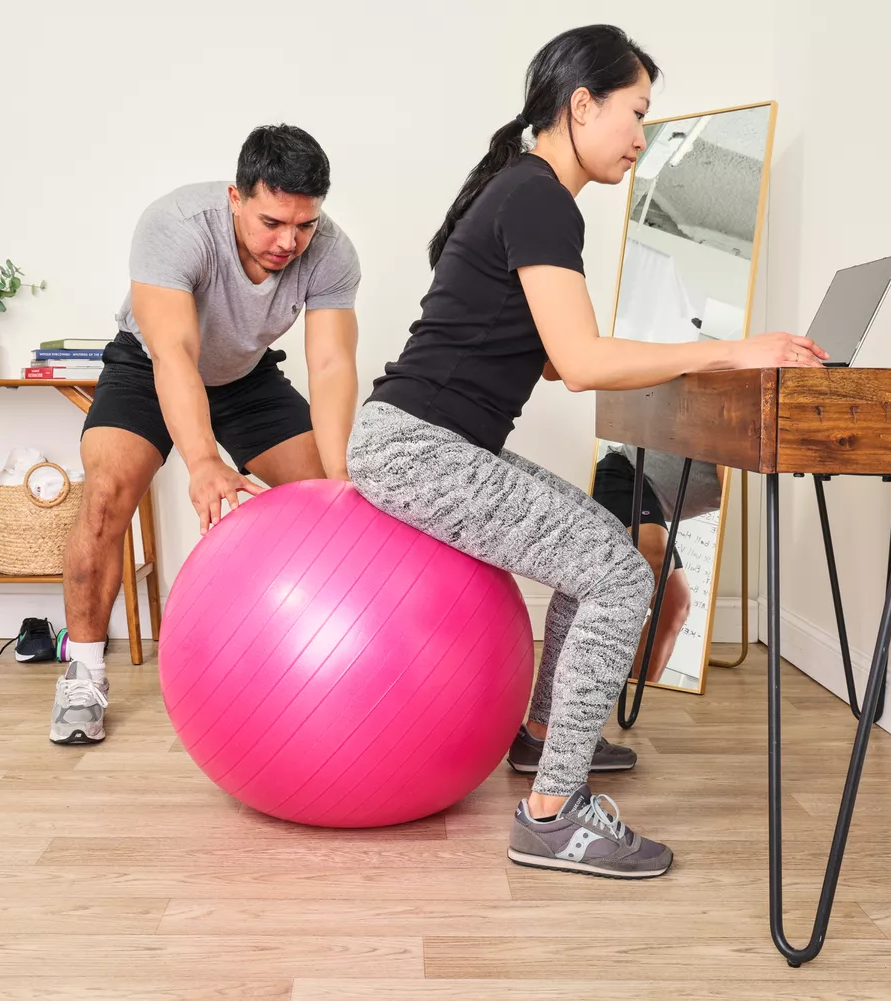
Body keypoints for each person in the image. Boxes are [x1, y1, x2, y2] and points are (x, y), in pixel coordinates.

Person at [346, 25, 826, 878]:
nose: (642, 136)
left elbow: (573, 362)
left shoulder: (522, 191)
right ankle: (552, 815)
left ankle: (539, 740)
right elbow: (582, 361)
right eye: (635, 112)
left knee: (596, 548)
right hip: (418, 448)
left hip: (419, 440)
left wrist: (685, 354)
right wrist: (730, 348)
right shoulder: (537, 198)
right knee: (619, 570)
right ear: (581, 104)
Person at [51, 125, 362, 745]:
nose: (290, 241)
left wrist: (339, 473)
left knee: (341, 511)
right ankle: (82, 674)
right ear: (235, 197)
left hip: (246, 378)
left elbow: (330, 366)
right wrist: (201, 461)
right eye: (273, 222)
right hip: (149, 368)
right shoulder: (176, 225)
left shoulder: (331, 251)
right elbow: (173, 354)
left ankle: (317, 659)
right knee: (107, 493)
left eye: (304, 225)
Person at [591, 446, 723, 684]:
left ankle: (634, 691)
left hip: (652, 504)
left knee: (674, 604)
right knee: (655, 559)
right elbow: (728, 481)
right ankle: (594, 676)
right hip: (626, 474)